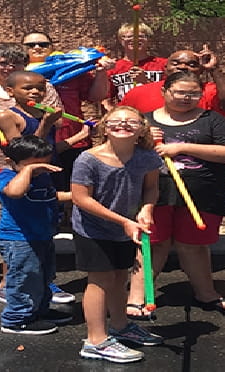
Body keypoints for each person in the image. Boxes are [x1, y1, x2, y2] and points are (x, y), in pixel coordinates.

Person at [126, 71, 225, 319]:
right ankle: (137, 298)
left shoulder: (214, 120)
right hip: (154, 191)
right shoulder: (143, 121)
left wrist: (182, 147)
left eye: (193, 93)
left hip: (202, 192)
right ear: (165, 91)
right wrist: (144, 141)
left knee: (195, 246)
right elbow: (120, 152)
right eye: (180, 92)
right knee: (152, 244)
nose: (186, 98)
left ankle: (206, 293)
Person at [0, 44, 62, 281]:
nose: (8, 67)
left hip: (25, 164)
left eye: (14, 63)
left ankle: (18, 274)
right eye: (2, 63)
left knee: (20, 218)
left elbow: (53, 120)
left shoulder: (43, 87)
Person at [72, 106, 163, 363]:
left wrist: (147, 210)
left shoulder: (147, 157)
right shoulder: (88, 159)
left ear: (141, 129)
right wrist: (124, 221)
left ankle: (121, 327)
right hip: (93, 228)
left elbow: (152, 188)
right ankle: (95, 340)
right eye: (116, 121)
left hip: (126, 227)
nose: (123, 124)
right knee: (100, 280)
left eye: (131, 122)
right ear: (104, 126)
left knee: (120, 276)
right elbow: (81, 198)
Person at [23, 31, 115, 193]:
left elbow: (95, 96)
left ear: (52, 47)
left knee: (76, 189)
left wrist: (101, 72)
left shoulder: (72, 70)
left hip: (73, 139)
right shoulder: (18, 75)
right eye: (30, 45)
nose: (37, 47)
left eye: (43, 44)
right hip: (36, 141)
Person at [0, 135, 68, 335]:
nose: (43, 169)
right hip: (19, 240)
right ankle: (16, 319)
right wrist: (28, 171)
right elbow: (16, 192)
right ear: (13, 162)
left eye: (46, 163)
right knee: (24, 278)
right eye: (36, 165)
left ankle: (38, 310)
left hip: (43, 236)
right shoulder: (6, 177)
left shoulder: (42, 177)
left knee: (42, 277)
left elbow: (51, 197)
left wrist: (78, 196)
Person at [119, 46, 225, 119]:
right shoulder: (139, 92)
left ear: (201, 70)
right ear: (165, 68)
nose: (183, 67)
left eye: (192, 64)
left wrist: (214, 69)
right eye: (176, 63)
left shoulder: (210, 91)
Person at [103, 22, 167, 110]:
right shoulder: (113, 68)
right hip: (127, 117)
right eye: (129, 37)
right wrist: (113, 113)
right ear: (121, 40)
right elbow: (105, 99)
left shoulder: (163, 64)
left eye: (140, 36)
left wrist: (146, 82)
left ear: (149, 40)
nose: (135, 40)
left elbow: (170, 93)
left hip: (156, 112)